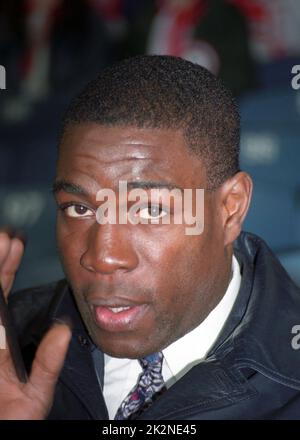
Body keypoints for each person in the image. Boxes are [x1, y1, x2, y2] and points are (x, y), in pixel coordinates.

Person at [0, 55, 300, 420]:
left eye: (150, 210)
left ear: (230, 209)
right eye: (79, 209)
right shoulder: (14, 343)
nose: (103, 256)